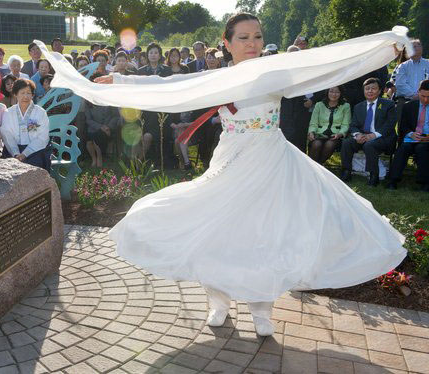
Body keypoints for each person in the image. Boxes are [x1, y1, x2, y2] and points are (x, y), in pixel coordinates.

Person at [39, 14, 409, 337]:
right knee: (219, 229)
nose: (252, 43)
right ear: (227, 43)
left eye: (258, 37)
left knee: (267, 233)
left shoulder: (276, 71)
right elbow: (172, 88)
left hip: (272, 161)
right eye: (244, 38)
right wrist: (121, 83)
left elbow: (328, 64)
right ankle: (218, 301)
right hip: (231, 160)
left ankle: (262, 309)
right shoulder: (216, 78)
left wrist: (382, 50)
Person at [340, 78, 397, 186]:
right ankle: (346, 171)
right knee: (346, 143)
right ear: (364, 90)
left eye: (373, 88)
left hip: (383, 138)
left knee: (370, 145)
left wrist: (373, 135)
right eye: (367, 89)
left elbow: (389, 125)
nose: (370, 91)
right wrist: (357, 135)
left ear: (380, 90)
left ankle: (373, 175)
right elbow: (353, 125)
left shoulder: (388, 104)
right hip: (363, 137)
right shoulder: (358, 106)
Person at [387, 79, 429, 192]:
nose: (425, 99)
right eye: (423, 95)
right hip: (412, 136)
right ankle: (393, 180)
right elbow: (402, 127)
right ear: (418, 91)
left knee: (422, 148)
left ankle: (425, 183)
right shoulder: (408, 106)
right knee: (404, 147)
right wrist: (411, 134)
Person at [1, 78, 51, 170]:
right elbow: (7, 134)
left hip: (36, 150)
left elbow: (42, 137)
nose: (25, 96)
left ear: (32, 95)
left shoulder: (40, 112)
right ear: (15, 94)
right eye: (22, 93)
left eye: (28, 93)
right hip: (12, 150)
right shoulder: (8, 112)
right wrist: (16, 153)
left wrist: (25, 153)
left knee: (34, 168)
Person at [138, 42, 174, 167]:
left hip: (162, 108)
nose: (153, 55)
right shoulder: (141, 71)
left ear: (160, 55)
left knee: (163, 133)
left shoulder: (167, 70)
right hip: (146, 110)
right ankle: (141, 161)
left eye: (156, 53)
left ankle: (162, 161)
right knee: (148, 134)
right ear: (147, 55)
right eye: (151, 52)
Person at [84, 73, 120, 167]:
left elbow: (115, 116)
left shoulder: (110, 97)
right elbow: (88, 119)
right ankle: (94, 159)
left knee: (96, 137)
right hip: (94, 127)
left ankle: (99, 158)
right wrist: (100, 126)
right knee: (89, 140)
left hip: (108, 127)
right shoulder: (88, 100)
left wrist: (107, 127)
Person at [307, 86, 351, 164]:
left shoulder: (346, 106)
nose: (334, 94)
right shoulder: (319, 105)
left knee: (329, 145)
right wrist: (311, 132)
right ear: (327, 92)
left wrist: (340, 133)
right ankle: (315, 167)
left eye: (337, 92)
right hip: (319, 134)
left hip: (335, 135)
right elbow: (313, 122)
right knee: (316, 144)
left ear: (341, 93)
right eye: (331, 91)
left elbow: (345, 124)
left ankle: (317, 166)